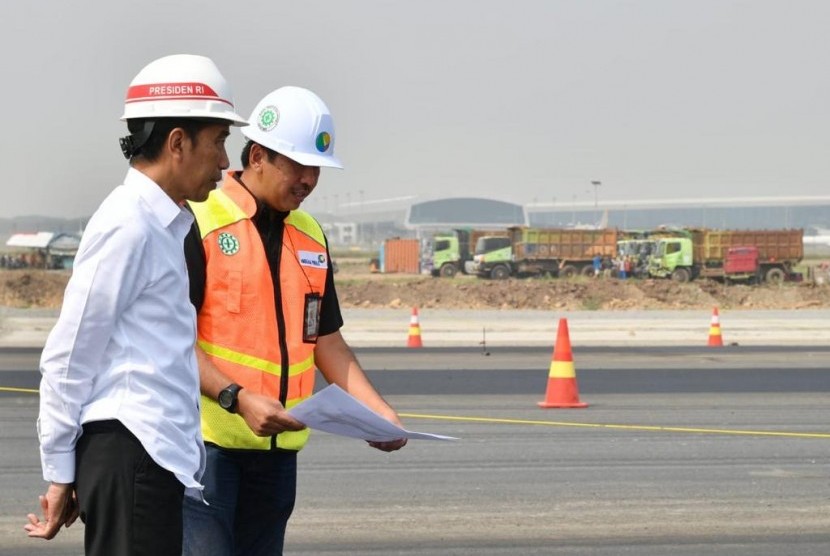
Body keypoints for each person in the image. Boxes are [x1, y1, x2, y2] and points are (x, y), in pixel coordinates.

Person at [24, 54, 247, 555]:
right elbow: (69, 354)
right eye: (217, 142)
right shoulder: (129, 225)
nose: (224, 162)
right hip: (131, 455)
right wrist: (60, 472)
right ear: (176, 143)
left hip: (147, 460)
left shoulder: (164, 225)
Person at [181, 86, 407, 556]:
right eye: (297, 166)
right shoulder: (199, 221)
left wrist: (377, 414)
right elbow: (173, 340)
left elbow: (326, 340)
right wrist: (236, 399)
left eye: (316, 169)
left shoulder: (310, 234)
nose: (308, 180)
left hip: (279, 450)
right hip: (206, 447)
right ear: (258, 155)